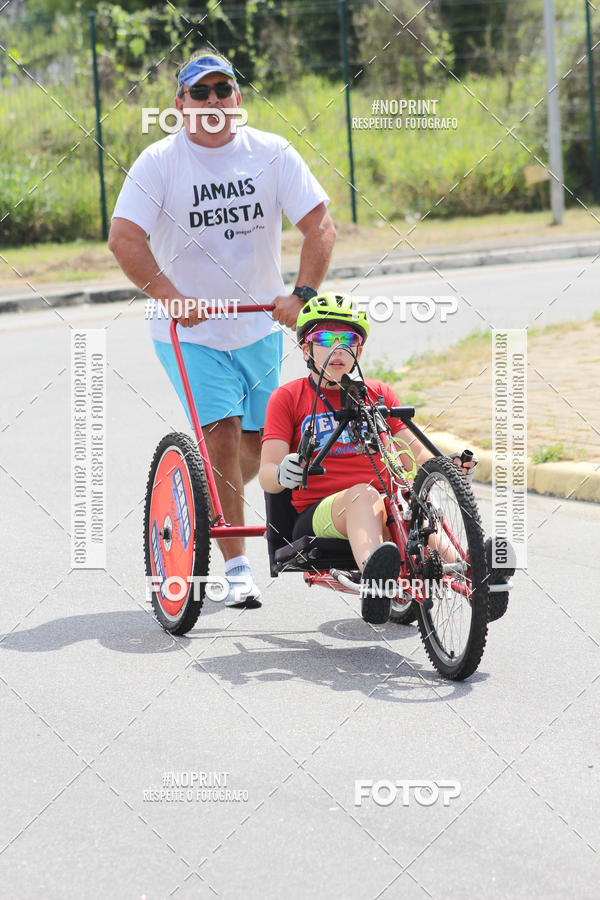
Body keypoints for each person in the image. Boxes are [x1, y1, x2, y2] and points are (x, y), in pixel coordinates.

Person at [108, 47, 336, 606]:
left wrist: (301, 295)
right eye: (200, 92)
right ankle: (236, 568)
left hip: (258, 327)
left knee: (259, 447)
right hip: (191, 333)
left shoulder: (272, 153)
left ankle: (213, 498)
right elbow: (124, 238)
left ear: (237, 97)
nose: (213, 100)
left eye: (222, 89)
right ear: (180, 102)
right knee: (223, 435)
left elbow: (320, 225)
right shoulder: (159, 162)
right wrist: (171, 297)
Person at [259, 292, 477, 624]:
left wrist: (448, 467)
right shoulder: (287, 397)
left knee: (414, 511)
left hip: (385, 508)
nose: (338, 349)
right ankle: (377, 586)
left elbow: (414, 456)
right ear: (305, 349)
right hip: (320, 513)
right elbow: (267, 473)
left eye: (348, 341)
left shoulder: (377, 394)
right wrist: (281, 472)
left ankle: (475, 578)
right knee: (365, 494)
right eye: (326, 339)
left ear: (358, 352)